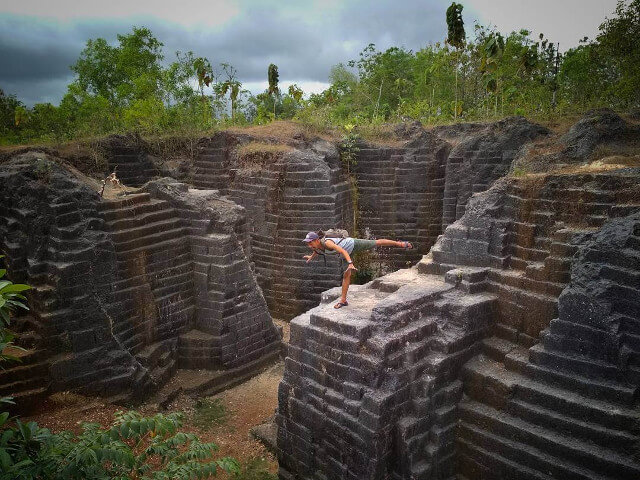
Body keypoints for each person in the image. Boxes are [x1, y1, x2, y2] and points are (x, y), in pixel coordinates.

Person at [303, 231, 413, 309]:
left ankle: (400, 243)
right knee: (346, 276)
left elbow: (342, 251)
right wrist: (310, 257)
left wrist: (350, 263)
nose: (309, 245)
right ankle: (343, 301)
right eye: (307, 243)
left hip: (352, 245)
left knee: (376, 243)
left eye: (310, 242)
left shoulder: (328, 243)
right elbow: (316, 250)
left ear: (317, 240)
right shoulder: (316, 246)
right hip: (345, 255)